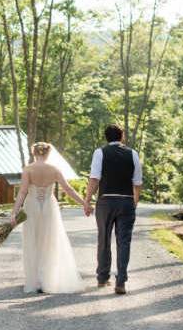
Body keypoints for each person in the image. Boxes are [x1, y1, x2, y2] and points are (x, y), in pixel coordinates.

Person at [11, 142, 87, 294]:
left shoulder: (28, 169)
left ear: (34, 153)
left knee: (33, 241)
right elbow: (69, 189)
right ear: (47, 154)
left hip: (31, 207)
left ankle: (35, 280)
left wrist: (14, 212)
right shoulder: (54, 169)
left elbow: (22, 192)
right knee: (49, 241)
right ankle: (47, 278)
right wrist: (84, 203)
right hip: (49, 207)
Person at [83, 124, 143, 295]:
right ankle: (121, 281)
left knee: (104, 238)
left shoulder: (99, 152)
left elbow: (94, 179)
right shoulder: (133, 154)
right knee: (124, 242)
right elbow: (137, 183)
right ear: (122, 136)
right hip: (126, 202)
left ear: (106, 137)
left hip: (105, 201)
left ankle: (102, 277)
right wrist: (135, 202)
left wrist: (87, 201)